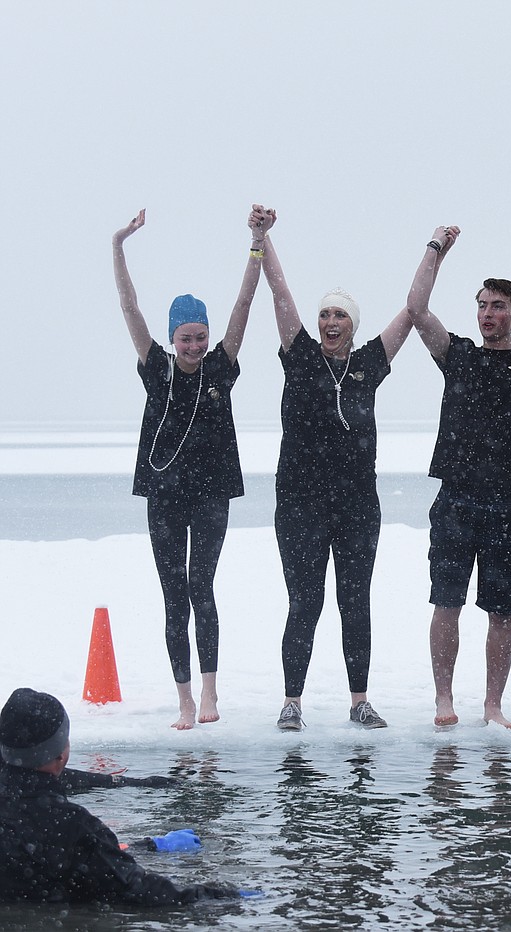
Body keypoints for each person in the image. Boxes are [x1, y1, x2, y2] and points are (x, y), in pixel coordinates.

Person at [259, 210, 453, 732]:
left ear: (353, 324)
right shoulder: (299, 357)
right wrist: (263, 239)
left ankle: (359, 700)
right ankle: (292, 702)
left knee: (354, 600)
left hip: (357, 506)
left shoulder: (368, 364)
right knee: (304, 601)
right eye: (324, 314)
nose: (329, 323)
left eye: (339, 316)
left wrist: (433, 249)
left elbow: (411, 315)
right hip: (299, 504)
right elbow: (279, 292)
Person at [113, 206, 269, 730]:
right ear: (173, 337)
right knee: (173, 593)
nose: (196, 346)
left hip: (210, 494)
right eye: (187, 338)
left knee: (202, 587)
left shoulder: (221, 368)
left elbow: (245, 303)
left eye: (200, 336)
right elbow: (130, 307)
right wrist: (119, 247)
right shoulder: (156, 369)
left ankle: (209, 693)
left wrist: (256, 242)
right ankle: (183, 698)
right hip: (164, 493)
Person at [406, 225, 511, 730]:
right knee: (446, 601)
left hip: (505, 502)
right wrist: (436, 251)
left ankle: (493, 704)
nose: (488, 313)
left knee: (502, 610)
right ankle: (443, 699)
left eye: (498, 306)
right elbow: (416, 309)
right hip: (455, 498)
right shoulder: (460, 356)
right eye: (482, 305)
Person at [0, 688, 238, 905]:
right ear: (62, 754)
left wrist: (144, 846)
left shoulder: (57, 826)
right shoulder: (72, 828)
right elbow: (138, 889)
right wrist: (228, 897)